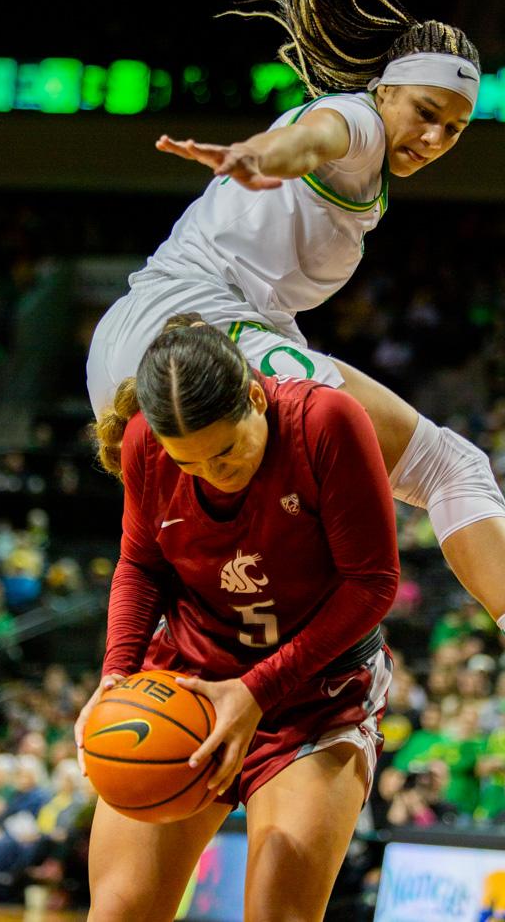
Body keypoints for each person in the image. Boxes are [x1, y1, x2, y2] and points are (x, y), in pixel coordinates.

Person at [85, 0, 505, 764]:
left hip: (155, 341)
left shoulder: (370, 138)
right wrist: (262, 158)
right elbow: (317, 135)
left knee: (281, 503)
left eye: (453, 128)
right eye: (426, 112)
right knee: (449, 468)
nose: (433, 136)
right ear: (387, 90)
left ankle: (187, 680)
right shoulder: (356, 125)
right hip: (200, 325)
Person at [76, 315, 400, 921]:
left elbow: (374, 583)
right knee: (119, 912)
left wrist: (256, 691)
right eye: (190, 463)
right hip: (189, 686)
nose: (213, 473)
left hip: (314, 697)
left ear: (255, 396)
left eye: (225, 451)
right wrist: (117, 675)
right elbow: (139, 566)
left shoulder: (326, 422)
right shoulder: (144, 441)